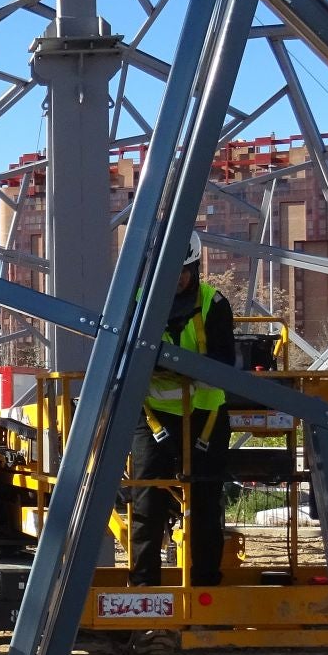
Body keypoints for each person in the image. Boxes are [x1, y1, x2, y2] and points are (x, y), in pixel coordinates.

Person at [127, 231, 236, 586]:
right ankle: (144, 585)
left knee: (205, 502)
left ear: (194, 267)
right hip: (154, 416)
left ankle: (206, 583)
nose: (175, 281)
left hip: (205, 416)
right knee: (147, 502)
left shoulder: (213, 304)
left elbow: (223, 362)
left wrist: (170, 364)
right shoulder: (140, 303)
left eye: (181, 273)